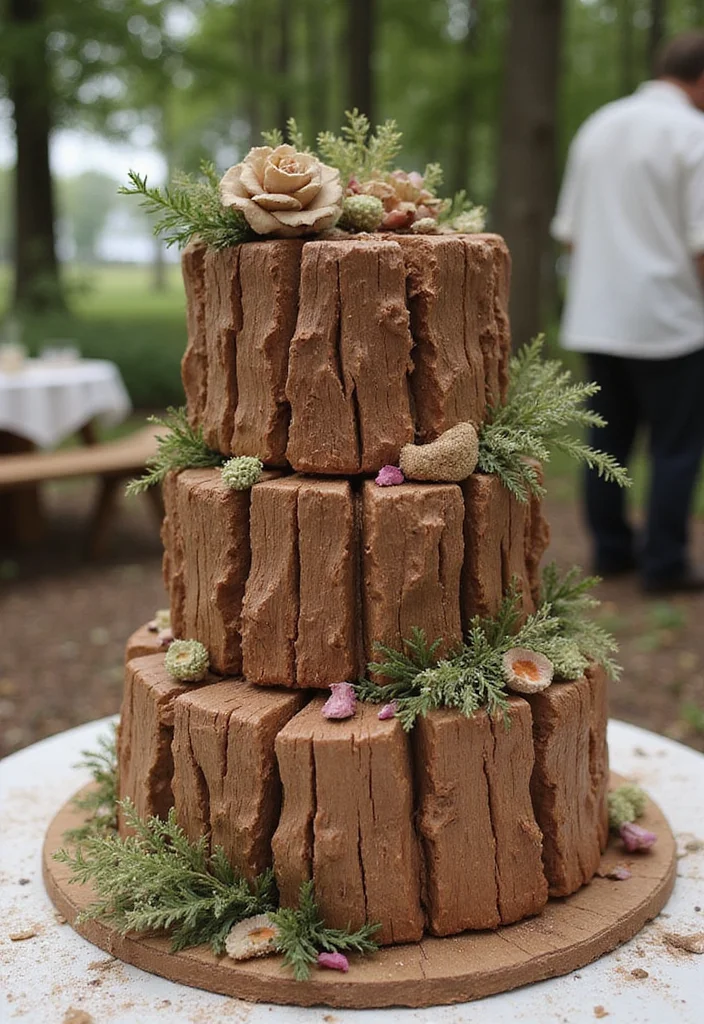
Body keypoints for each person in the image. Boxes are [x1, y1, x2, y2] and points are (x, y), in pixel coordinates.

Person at [552, 32, 704, 594]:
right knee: (677, 445)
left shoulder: (598, 126)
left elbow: (569, 235)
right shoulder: (695, 134)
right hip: (672, 320)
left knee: (607, 441)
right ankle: (664, 564)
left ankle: (612, 551)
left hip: (600, 316)